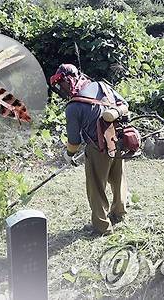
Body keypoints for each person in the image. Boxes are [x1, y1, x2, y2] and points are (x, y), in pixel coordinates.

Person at [50, 64, 129, 235]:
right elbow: (124, 104)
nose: (62, 89)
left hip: (97, 149)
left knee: (96, 187)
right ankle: (119, 212)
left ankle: (102, 227)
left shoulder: (73, 107)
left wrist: (68, 154)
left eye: (62, 84)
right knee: (118, 179)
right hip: (118, 142)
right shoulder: (103, 86)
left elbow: (74, 141)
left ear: (70, 80)